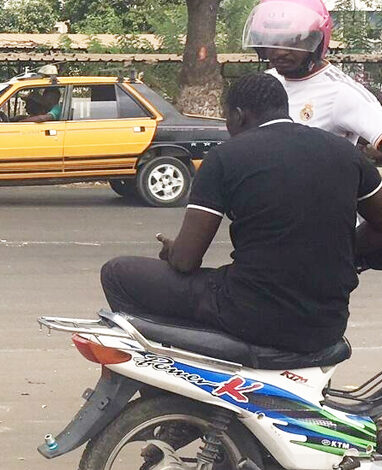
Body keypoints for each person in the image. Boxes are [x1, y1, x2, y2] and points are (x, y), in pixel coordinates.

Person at [100, 73, 382, 354]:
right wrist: (343, 253)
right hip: (326, 323)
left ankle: (165, 382)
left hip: (250, 314)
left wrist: (173, 250)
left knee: (117, 273)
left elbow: (186, 261)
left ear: (238, 115)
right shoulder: (346, 154)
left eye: (226, 118)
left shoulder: (226, 157)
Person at [243, 0, 382, 151]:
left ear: (316, 43)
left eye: (294, 41)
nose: (280, 51)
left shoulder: (341, 92)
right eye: (272, 41)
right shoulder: (264, 83)